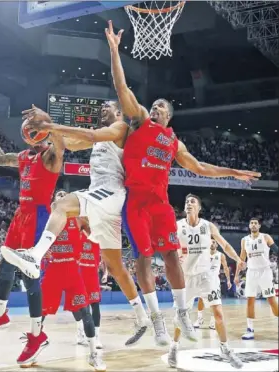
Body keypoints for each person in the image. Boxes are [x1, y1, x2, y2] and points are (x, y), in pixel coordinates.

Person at [103, 20, 260, 342]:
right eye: (154, 105)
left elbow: (199, 167)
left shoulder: (174, 141)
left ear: (169, 116)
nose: (155, 108)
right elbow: (123, 91)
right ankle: (156, 320)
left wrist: (232, 171)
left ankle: (182, 313)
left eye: (161, 106)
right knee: (142, 259)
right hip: (136, 201)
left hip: (160, 203)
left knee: (173, 256)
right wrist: (114, 51)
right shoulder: (142, 122)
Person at [2, 102, 154, 346]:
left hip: (110, 193)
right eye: (102, 106)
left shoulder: (120, 128)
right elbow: (69, 144)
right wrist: (49, 129)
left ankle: (34, 255)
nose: (103, 107)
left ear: (118, 113)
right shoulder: (99, 137)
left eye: (108, 106)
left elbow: (90, 134)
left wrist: (49, 124)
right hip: (106, 204)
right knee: (115, 266)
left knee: (61, 205)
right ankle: (141, 316)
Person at [0, 108, 65, 367]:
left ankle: (37, 335)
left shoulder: (51, 157)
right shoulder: (24, 156)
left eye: (37, 129)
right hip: (20, 214)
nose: (32, 132)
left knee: (30, 275)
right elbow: (0, 158)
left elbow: (61, 143)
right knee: (6, 263)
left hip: (38, 215)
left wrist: (47, 119)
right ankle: (0, 314)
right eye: (30, 129)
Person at [168, 194, 244, 369]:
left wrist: (237, 259)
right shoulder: (176, 226)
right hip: (185, 278)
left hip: (206, 276)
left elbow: (224, 245)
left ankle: (226, 349)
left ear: (199, 208)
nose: (188, 204)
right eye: (186, 201)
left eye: (192, 202)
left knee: (218, 313)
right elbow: (168, 248)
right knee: (181, 317)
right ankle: (174, 346)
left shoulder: (207, 226)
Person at [40, 190, 105, 371]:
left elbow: (97, 236)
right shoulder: (49, 220)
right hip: (53, 268)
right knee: (39, 311)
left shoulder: (79, 220)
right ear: (53, 201)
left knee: (85, 310)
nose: (62, 197)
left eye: (64, 195)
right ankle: (33, 345)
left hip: (72, 269)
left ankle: (93, 354)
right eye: (58, 195)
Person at [235, 218, 278, 340]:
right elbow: (241, 259)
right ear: (249, 226)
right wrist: (237, 275)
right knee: (250, 300)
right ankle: (250, 329)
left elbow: (276, 250)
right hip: (251, 272)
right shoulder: (245, 240)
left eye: (255, 223)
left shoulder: (265, 237)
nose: (253, 225)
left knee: (271, 300)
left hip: (265, 271)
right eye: (251, 223)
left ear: (259, 226)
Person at [77, 216, 103, 349]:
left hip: (92, 275)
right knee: (81, 307)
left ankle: (96, 336)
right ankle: (81, 333)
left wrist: (106, 271)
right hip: (79, 275)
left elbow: (104, 254)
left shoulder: (97, 236)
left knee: (95, 306)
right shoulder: (77, 234)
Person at [194, 239, 232, 330]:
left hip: (214, 281)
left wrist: (228, 280)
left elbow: (226, 268)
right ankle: (199, 319)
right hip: (203, 280)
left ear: (217, 245)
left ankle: (212, 321)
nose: (211, 243)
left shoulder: (220, 255)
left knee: (213, 302)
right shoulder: (203, 254)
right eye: (210, 241)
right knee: (201, 299)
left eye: (214, 242)